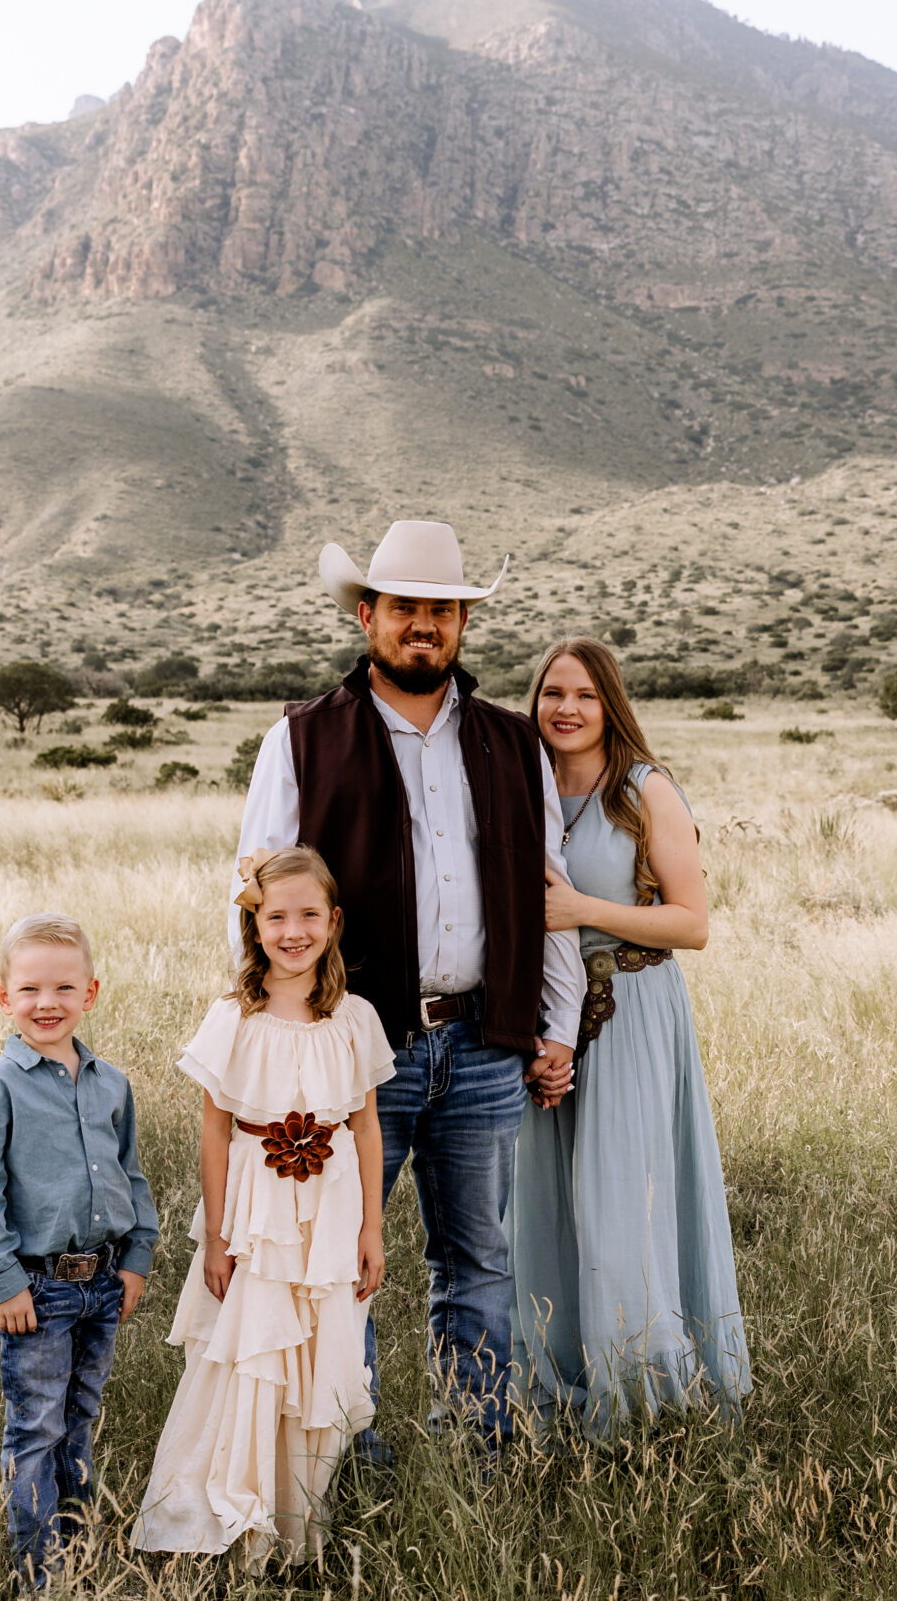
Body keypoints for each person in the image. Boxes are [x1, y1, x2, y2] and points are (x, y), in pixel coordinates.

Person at [235, 519, 583, 1446]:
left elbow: (547, 895)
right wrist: (277, 1041)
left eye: (442, 609)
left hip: (484, 1041)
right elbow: (258, 892)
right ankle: (352, 1452)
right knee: (346, 1257)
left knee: (480, 1259)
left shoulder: (515, 745)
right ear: (366, 615)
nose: (423, 624)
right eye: (405, 608)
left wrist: (556, 1026)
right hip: (355, 1052)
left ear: (463, 624)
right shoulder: (303, 740)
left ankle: (480, 1446)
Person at [511, 638, 749, 1434]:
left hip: (634, 1008)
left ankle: (644, 1395)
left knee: (624, 1203)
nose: (566, 709)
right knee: (542, 1205)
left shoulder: (646, 791)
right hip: (548, 1019)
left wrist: (586, 911)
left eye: (583, 693)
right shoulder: (524, 787)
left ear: (610, 702)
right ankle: (556, 1385)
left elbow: (693, 922)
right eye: (552, 693)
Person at [133, 847, 394, 1564]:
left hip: (332, 1209)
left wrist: (372, 1225)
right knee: (251, 1353)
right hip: (257, 1210)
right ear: (255, 926)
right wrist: (217, 1237)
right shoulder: (235, 1018)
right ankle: (230, 1509)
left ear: (334, 922)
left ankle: (296, 1519)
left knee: (316, 1353)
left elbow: (367, 1126)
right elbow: (216, 1132)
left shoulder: (355, 1018)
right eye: (276, 916)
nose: (293, 930)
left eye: (309, 914)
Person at [0, 913, 159, 1588]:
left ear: (91, 992)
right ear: (2, 995)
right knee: (37, 1425)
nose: (47, 1003)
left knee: (81, 1418)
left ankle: (78, 1549)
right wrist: (4, 1281)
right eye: (31, 988)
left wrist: (137, 1257)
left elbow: (131, 1176)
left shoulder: (111, 1083)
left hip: (101, 1280)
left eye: (64, 987)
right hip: (36, 1290)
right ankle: (38, 1570)